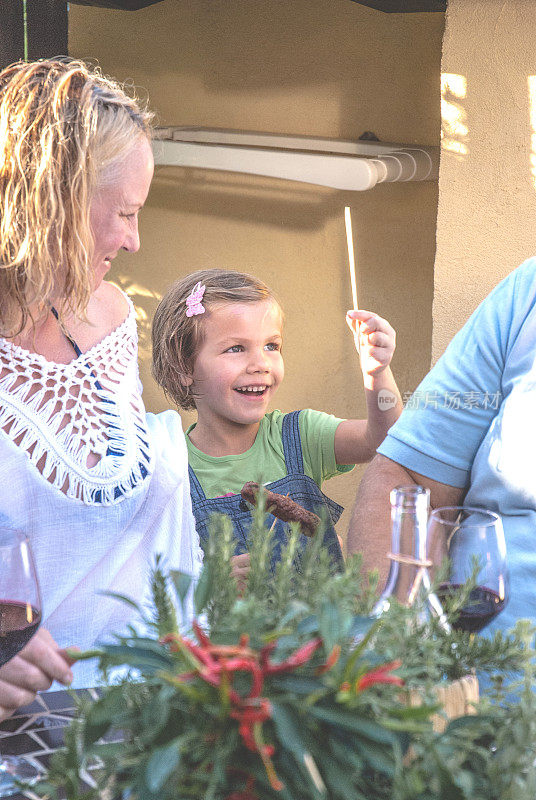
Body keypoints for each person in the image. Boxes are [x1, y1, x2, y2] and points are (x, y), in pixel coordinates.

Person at [0, 58, 202, 719]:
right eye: (123, 213)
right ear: (48, 202)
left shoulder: (110, 317)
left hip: (152, 726)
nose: (134, 241)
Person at [152, 269, 402, 568]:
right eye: (236, 348)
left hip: (320, 616)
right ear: (183, 366)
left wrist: (377, 373)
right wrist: (209, 583)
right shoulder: (170, 470)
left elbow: (386, 441)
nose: (260, 364)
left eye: (272, 346)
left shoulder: (300, 435)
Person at [348, 257, 536, 636]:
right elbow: (404, 472)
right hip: (467, 677)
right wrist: (391, 651)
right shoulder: (526, 293)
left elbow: (373, 437)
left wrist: (378, 373)